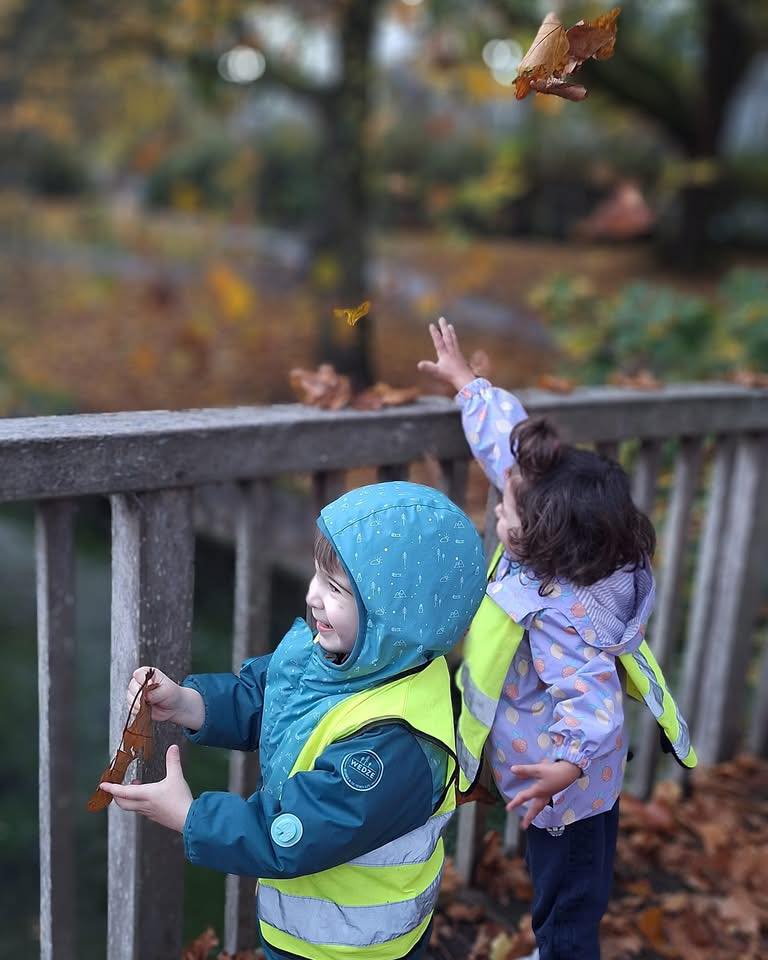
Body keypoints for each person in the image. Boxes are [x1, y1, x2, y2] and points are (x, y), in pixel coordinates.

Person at [99, 480, 487, 960]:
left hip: (352, 948)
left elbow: (296, 834)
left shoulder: (393, 743)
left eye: (336, 588)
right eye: (318, 576)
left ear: (397, 619)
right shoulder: (343, 657)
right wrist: (188, 703)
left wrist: (191, 816)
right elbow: (269, 697)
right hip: (305, 928)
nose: (312, 595)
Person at [418, 318, 696, 960]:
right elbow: (504, 450)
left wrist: (565, 769)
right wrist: (468, 384)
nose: (496, 511)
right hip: (553, 771)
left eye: (505, 513)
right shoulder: (565, 537)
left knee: (567, 905)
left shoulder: (567, 617)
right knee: (566, 891)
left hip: (567, 787)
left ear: (543, 536)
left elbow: (593, 704)